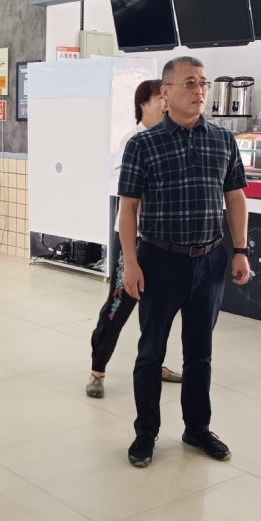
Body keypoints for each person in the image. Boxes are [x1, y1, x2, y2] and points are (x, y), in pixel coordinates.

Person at [117, 56, 252, 468]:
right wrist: (130, 263)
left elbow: (235, 197)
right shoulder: (143, 144)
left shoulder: (223, 140)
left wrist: (241, 249)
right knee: (151, 353)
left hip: (209, 261)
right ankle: (146, 433)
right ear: (166, 91)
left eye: (204, 83)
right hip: (159, 261)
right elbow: (128, 209)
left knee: (199, 353)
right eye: (190, 83)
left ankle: (197, 429)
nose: (199, 91)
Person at [86, 79, 181, 399]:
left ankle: (155, 363)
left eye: (167, 97)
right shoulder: (134, 141)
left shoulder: (172, 138)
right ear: (143, 104)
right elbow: (131, 199)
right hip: (134, 238)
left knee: (158, 308)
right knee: (119, 303)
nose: (166, 103)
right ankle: (97, 369)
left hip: (164, 239)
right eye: (159, 98)